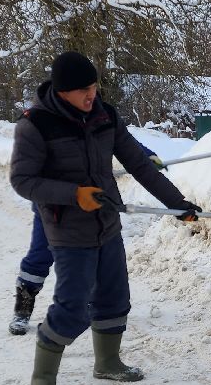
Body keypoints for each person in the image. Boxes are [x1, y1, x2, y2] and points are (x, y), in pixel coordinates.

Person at [9, 51, 200, 385]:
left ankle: (108, 362)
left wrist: (177, 204)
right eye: (83, 91)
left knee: (114, 296)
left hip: (107, 223)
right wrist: (73, 195)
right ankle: (43, 379)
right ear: (62, 91)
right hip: (68, 230)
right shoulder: (36, 125)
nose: (91, 96)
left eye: (94, 88)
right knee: (72, 306)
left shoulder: (104, 116)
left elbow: (140, 166)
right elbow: (22, 180)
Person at [9, 142, 165, 336]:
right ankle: (23, 307)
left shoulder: (95, 116)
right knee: (41, 254)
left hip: (90, 205)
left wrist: (146, 156)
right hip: (53, 207)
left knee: (94, 255)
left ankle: (92, 304)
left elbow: (120, 138)